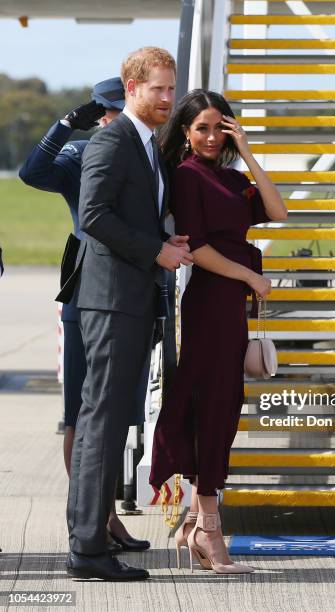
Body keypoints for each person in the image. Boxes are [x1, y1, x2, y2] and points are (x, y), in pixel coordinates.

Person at [64, 47, 193, 582]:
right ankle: (88, 549)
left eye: (171, 89)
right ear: (131, 85)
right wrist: (154, 250)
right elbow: (92, 215)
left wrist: (164, 240)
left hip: (130, 298)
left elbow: (129, 214)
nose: (167, 98)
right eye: (157, 89)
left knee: (110, 424)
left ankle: (90, 540)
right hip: (112, 300)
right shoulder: (112, 140)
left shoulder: (145, 144)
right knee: (102, 423)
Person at [149, 89, 288, 574]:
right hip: (211, 299)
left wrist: (246, 151)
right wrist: (250, 276)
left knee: (225, 405)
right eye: (201, 128)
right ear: (185, 134)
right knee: (211, 406)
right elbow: (198, 248)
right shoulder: (187, 178)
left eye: (218, 127)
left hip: (233, 305)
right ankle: (208, 528)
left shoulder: (232, 177)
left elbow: (277, 211)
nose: (210, 137)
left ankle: (196, 522)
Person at [18, 78, 150, 555]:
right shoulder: (81, 154)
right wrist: (66, 123)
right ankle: (98, 518)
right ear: (100, 115)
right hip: (87, 285)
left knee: (121, 411)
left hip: (136, 286)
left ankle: (105, 514)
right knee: (81, 409)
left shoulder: (149, 153)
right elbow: (32, 173)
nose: (119, 120)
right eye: (110, 112)